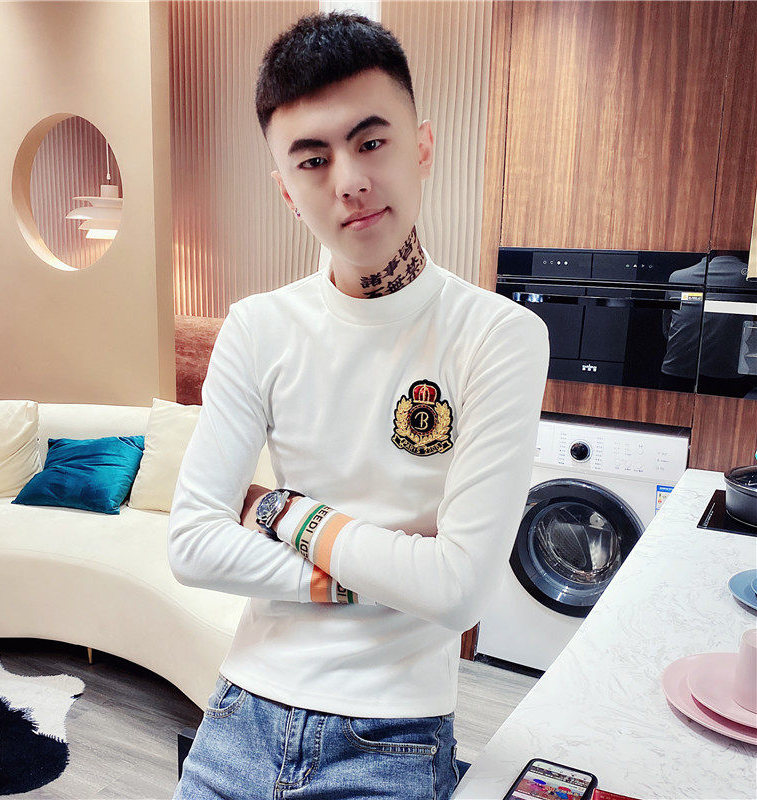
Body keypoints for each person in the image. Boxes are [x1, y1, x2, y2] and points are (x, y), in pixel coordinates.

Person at [168, 10, 549, 800]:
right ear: (286, 189)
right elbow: (194, 546)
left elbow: (459, 592)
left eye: (371, 142)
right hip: (240, 713)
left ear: (423, 146)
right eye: (313, 160)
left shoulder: (500, 337)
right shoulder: (257, 327)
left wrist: (280, 510)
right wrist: (392, 570)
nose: (347, 181)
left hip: (393, 738)